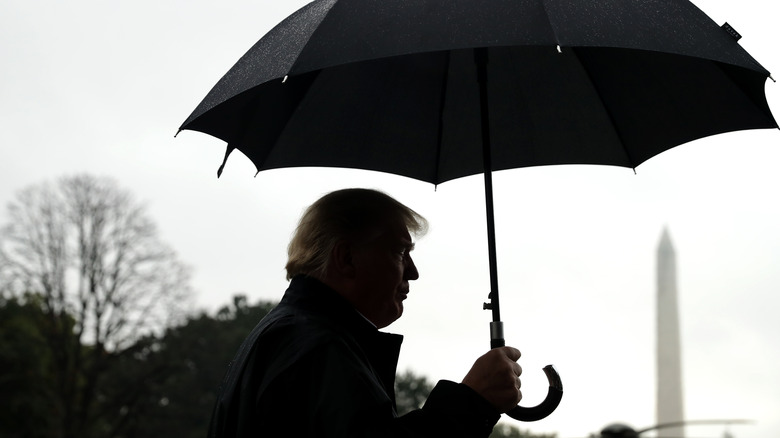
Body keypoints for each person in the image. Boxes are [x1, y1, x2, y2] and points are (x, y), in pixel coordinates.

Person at [208, 188, 523, 437]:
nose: (413, 273)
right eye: (399, 252)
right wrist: (470, 403)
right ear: (346, 258)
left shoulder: (289, 336)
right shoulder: (318, 347)